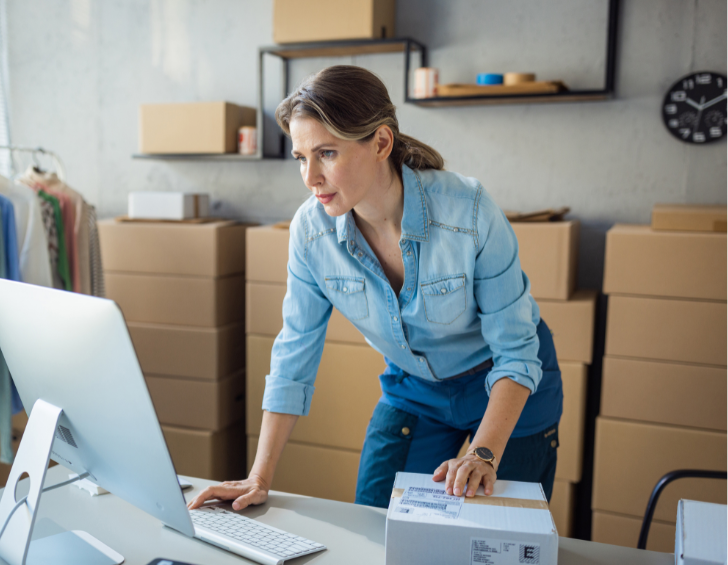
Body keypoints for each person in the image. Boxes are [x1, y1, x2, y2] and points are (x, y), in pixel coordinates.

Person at [189, 65, 563, 512]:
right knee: (375, 521)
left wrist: (482, 453)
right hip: (415, 388)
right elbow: (294, 352)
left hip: (509, 386)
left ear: (381, 142)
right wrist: (259, 476)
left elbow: (517, 352)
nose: (310, 178)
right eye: (301, 158)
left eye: (326, 153)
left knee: (492, 552)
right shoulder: (311, 232)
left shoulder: (469, 212)